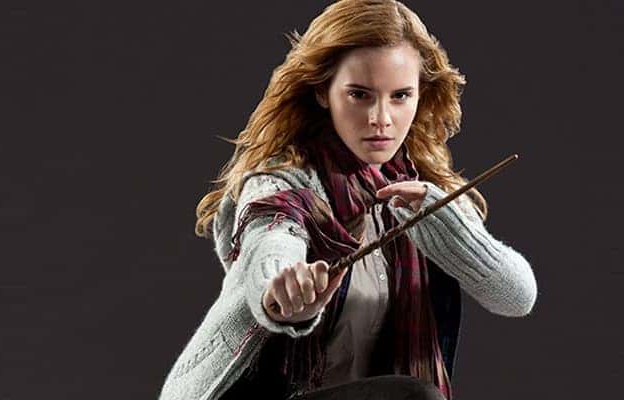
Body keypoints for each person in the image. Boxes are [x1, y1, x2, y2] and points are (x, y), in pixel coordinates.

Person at [157, 1, 538, 399]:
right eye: (359, 94)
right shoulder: (280, 182)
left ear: (420, 96)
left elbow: (516, 297)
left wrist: (445, 228)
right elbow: (270, 240)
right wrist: (285, 289)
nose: (381, 118)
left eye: (400, 96)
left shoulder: (421, 194)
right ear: (323, 92)